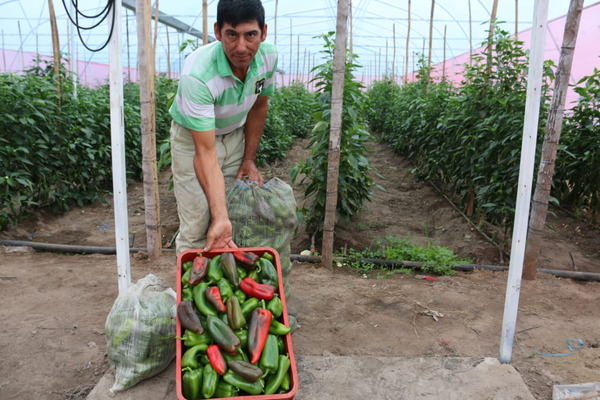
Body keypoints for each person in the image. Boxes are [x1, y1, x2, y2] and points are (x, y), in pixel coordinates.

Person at [168, 0, 277, 255]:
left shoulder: (268, 57)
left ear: (263, 32)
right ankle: (194, 293)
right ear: (218, 32)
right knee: (197, 224)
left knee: (236, 218)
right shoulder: (199, 74)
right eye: (231, 35)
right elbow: (205, 153)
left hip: (234, 136)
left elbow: (259, 106)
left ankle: (230, 291)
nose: (241, 47)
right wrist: (219, 217)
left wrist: (248, 159)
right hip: (194, 142)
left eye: (250, 35)